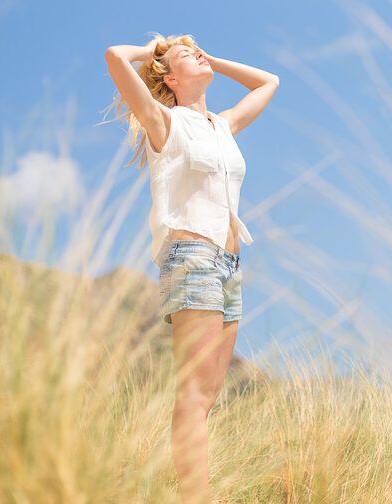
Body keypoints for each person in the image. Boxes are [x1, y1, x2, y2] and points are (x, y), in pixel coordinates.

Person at [104, 33, 279, 504]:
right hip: (192, 256)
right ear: (171, 78)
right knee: (194, 395)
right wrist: (155, 49)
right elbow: (116, 58)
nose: (198, 54)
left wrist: (210, 60)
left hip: (229, 263)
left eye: (199, 50)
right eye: (188, 56)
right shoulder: (165, 122)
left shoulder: (221, 125)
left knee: (208, 397)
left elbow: (269, 82)